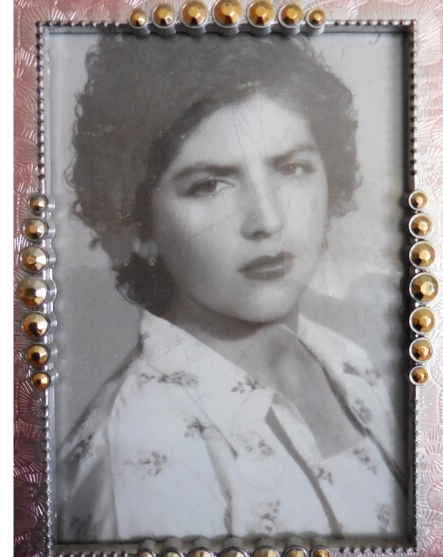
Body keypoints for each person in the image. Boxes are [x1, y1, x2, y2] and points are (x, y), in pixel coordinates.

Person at [57, 35, 406, 542]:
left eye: (291, 168)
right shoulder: (137, 456)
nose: (268, 220)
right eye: (210, 184)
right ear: (139, 223)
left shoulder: (350, 361)